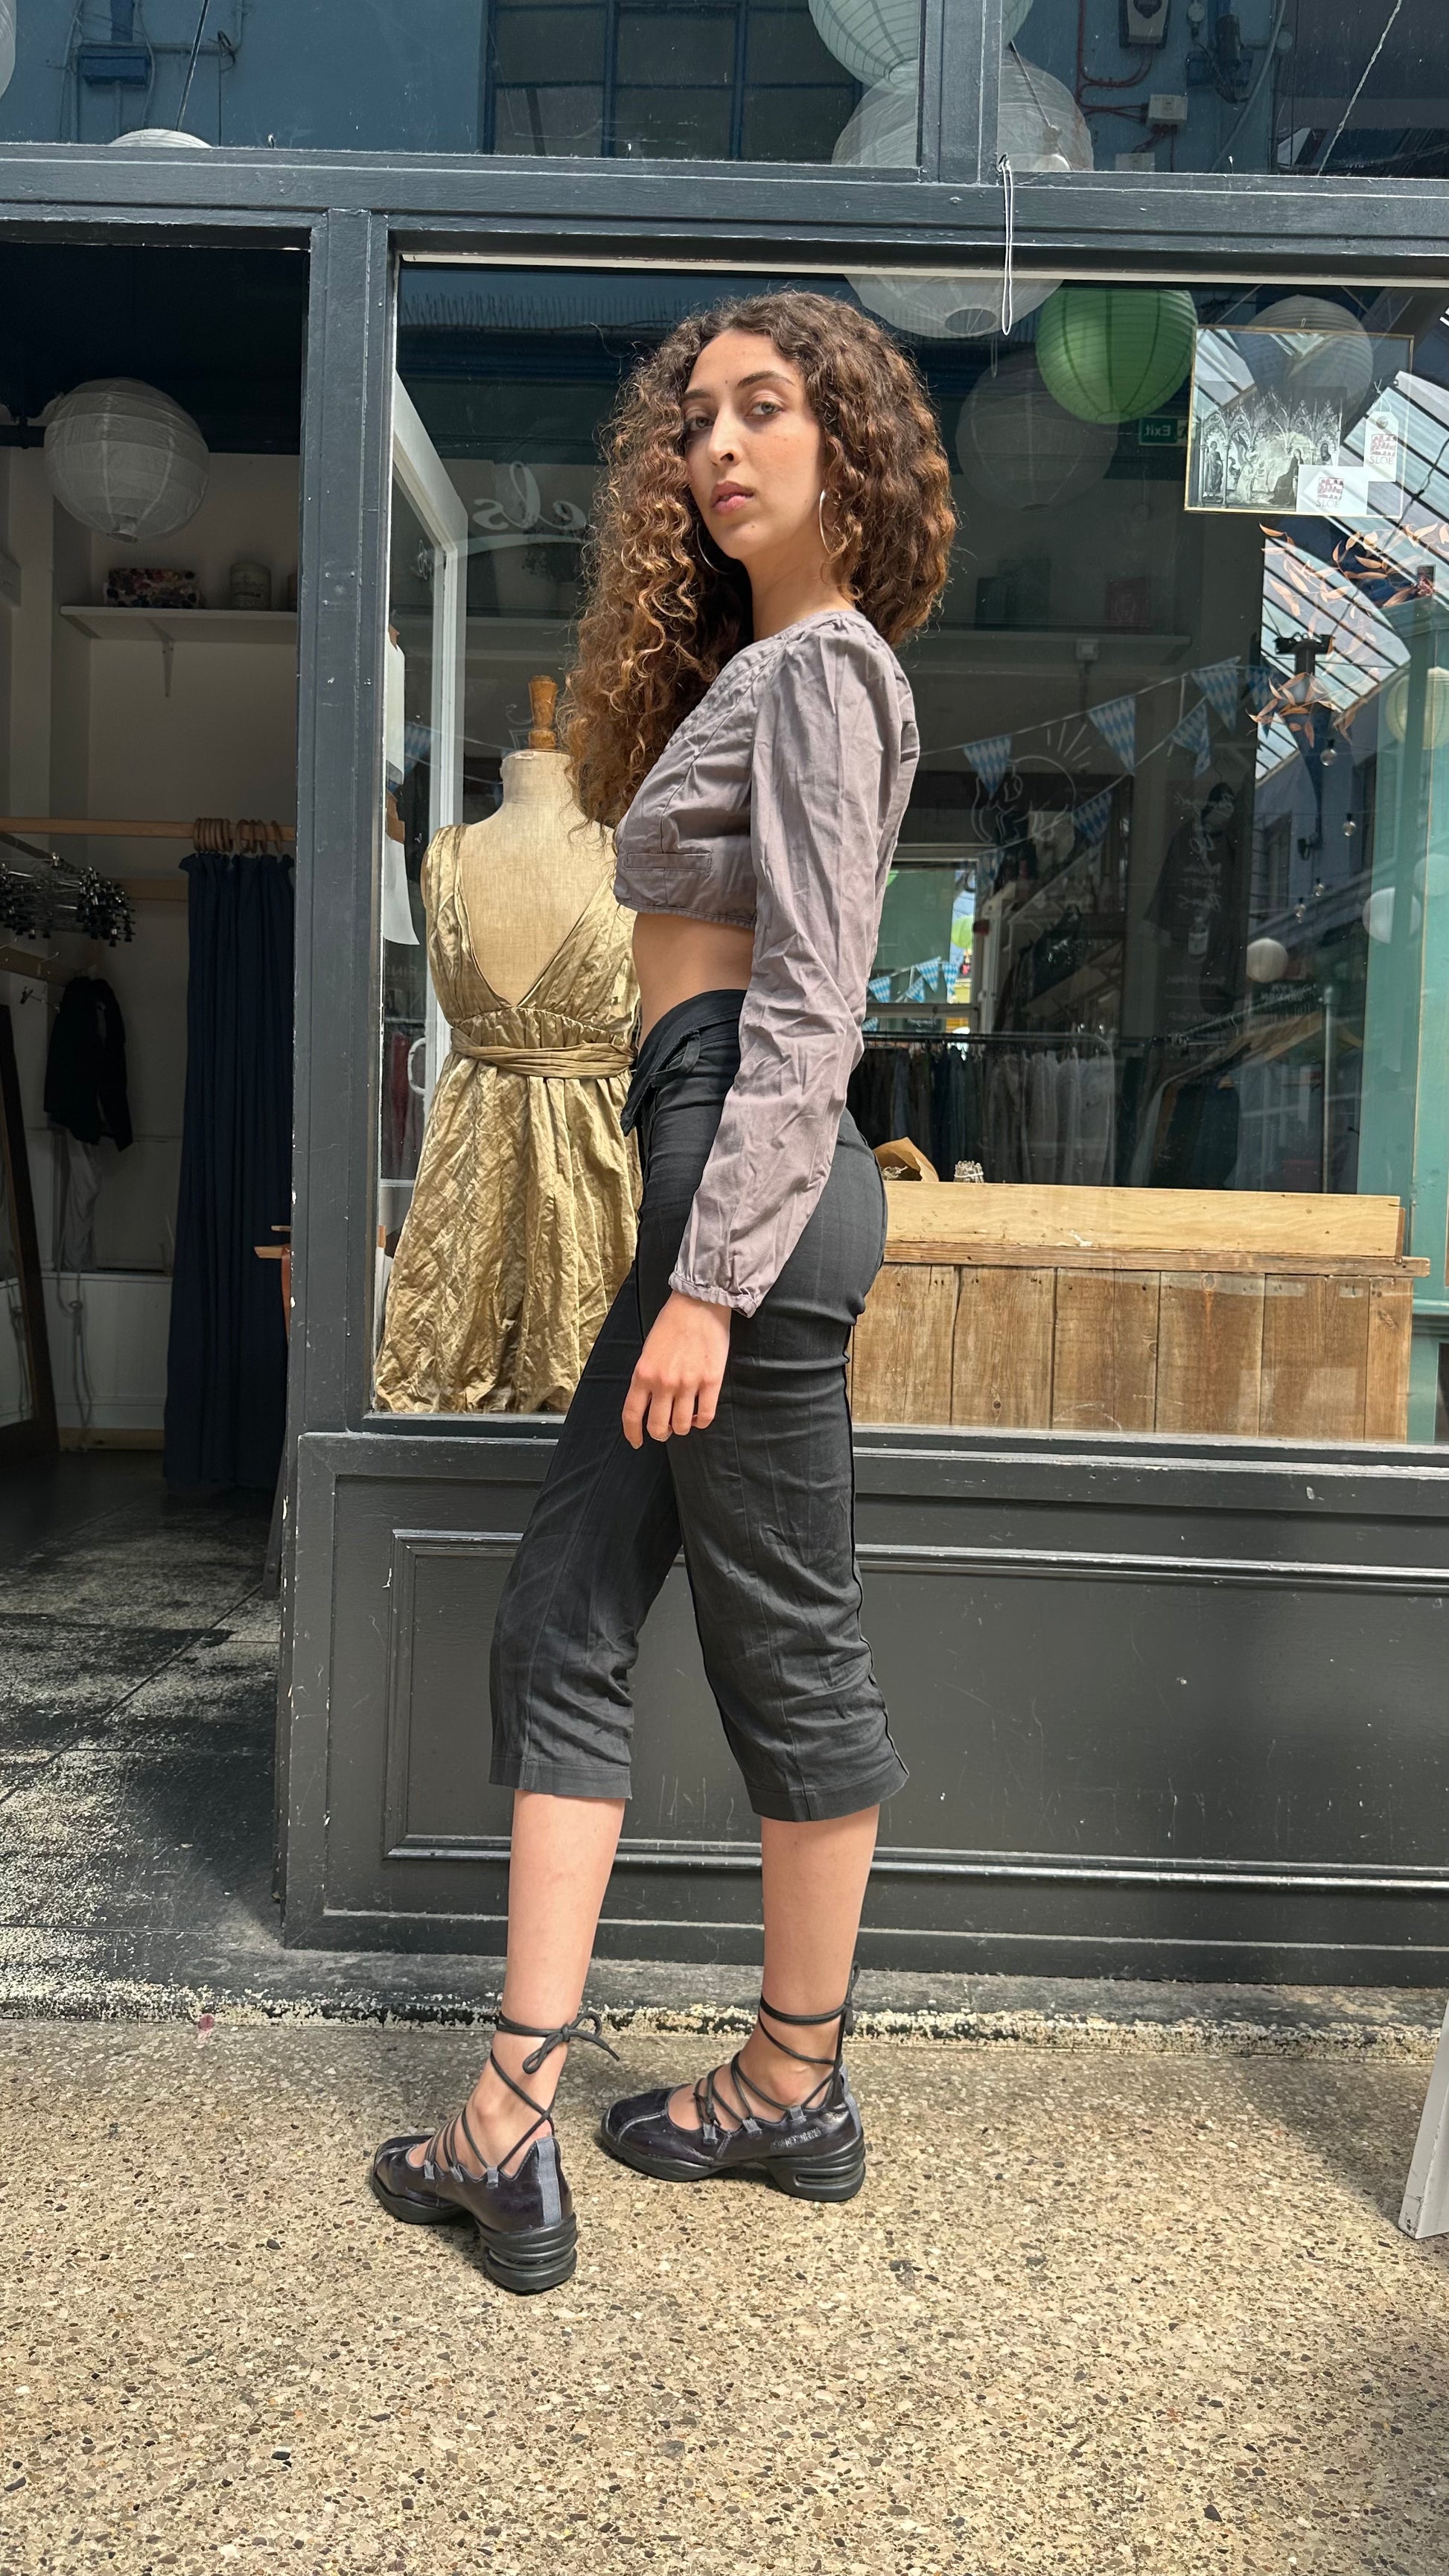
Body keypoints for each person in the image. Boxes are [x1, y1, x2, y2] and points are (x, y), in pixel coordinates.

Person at [371, 290, 955, 2294]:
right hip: (706, 1174)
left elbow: (810, 1005)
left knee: (789, 1658)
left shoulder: (829, 669)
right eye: (697, 416)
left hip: (745, 1199)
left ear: (849, 447)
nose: (718, 445)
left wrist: (707, 1282)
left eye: (766, 409)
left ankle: (792, 2078)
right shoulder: (771, 664)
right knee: (564, 1612)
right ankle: (511, 2117)